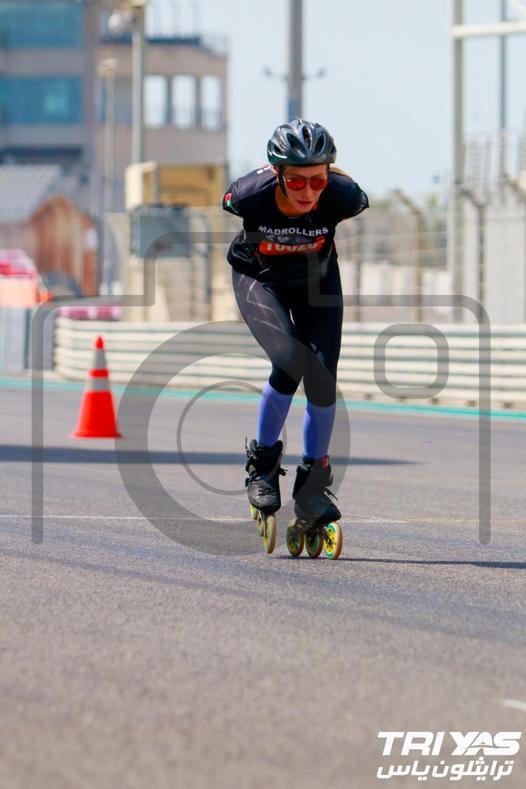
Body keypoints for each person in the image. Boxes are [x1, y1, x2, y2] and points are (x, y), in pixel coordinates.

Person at [222, 118, 369, 526]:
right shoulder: (249, 195)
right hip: (259, 278)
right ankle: (262, 465)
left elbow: (348, 192)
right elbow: (230, 198)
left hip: (316, 281)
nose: (308, 192)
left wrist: (327, 184)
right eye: (297, 182)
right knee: (289, 360)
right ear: (277, 174)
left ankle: (312, 485)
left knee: (322, 374)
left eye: (317, 181)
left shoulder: (342, 197)